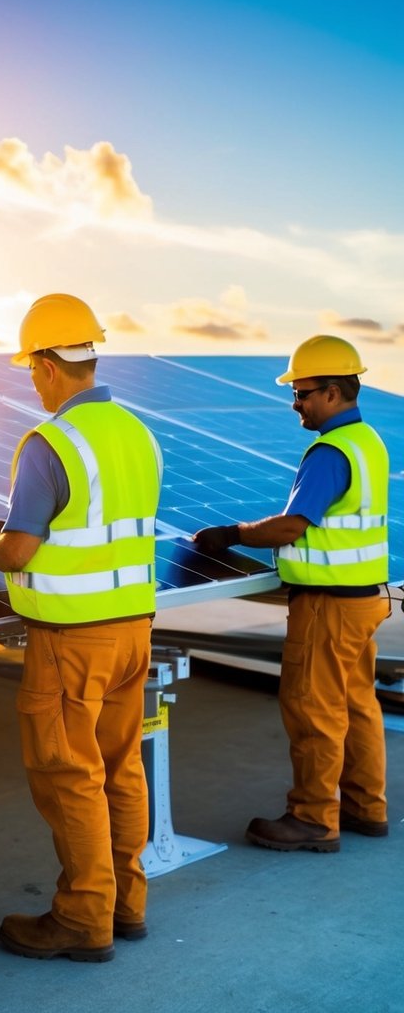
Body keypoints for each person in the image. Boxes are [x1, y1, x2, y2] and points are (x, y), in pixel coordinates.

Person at [0, 294, 162, 963]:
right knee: (120, 770)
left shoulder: (50, 442)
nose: (33, 380)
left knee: (69, 776)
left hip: (72, 644)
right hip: (133, 632)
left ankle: (84, 919)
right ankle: (125, 904)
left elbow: (21, 549)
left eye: (32, 367)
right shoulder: (136, 433)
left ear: (49, 366)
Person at [193, 335, 391, 853]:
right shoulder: (368, 441)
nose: (295, 405)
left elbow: (292, 527)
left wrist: (233, 534)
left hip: (327, 606)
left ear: (331, 393)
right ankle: (366, 807)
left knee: (314, 709)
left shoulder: (328, 452)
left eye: (301, 394)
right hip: (364, 600)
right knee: (357, 706)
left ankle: (312, 819)